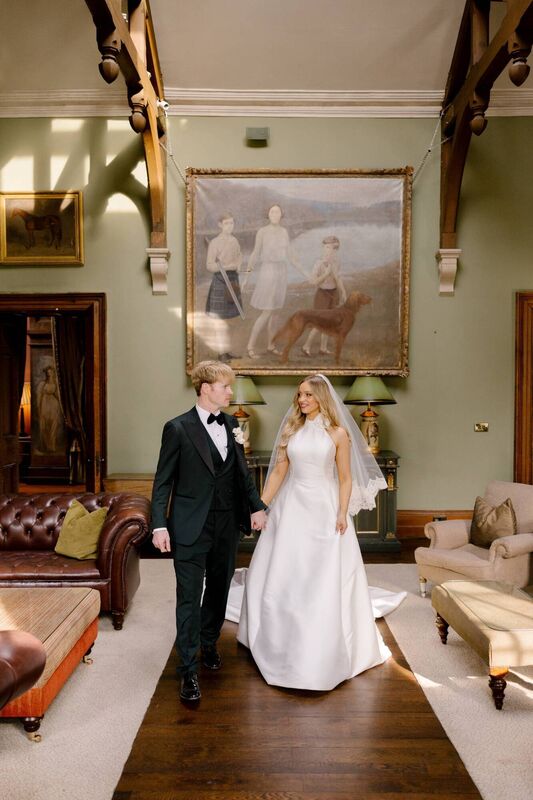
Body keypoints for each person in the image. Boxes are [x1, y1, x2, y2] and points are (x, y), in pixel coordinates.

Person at [233, 373, 405, 691]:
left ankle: (321, 644)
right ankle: (277, 638)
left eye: (308, 395)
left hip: (324, 507)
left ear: (321, 398)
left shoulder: (338, 434)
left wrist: (341, 512)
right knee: (284, 570)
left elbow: (344, 478)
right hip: (292, 506)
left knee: (321, 574)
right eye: (300, 395)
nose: (301, 400)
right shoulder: (293, 430)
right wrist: (260, 506)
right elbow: (279, 473)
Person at [151, 360, 268, 702]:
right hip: (189, 525)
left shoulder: (232, 424)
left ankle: (208, 642)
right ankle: (187, 669)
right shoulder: (177, 428)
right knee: (189, 596)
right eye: (225, 386)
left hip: (226, 524)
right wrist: (159, 523)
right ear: (205, 388)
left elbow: (241, 474)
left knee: (219, 588)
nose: (231, 392)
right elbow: (163, 481)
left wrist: (256, 506)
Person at [245, 204, 308, 359]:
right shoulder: (262, 232)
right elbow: (255, 253)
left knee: (275, 313)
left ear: (281, 214)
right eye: (272, 211)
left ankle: (270, 345)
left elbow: (291, 256)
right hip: (268, 271)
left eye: (277, 211)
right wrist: (246, 276)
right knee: (266, 311)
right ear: (268, 214)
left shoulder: (284, 232)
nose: (275, 214)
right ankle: (250, 346)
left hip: (281, 271)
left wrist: (306, 273)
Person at [205, 213, 243, 362]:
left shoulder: (234, 240)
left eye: (232, 223)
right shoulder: (214, 243)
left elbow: (239, 256)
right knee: (219, 321)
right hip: (220, 281)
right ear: (220, 225)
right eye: (227, 223)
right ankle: (221, 353)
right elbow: (209, 265)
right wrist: (225, 266)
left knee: (228, 320)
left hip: (233, 280)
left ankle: (226, 351)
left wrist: (238, 265)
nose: (230, 226)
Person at [302, 235, 347, 356]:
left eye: (333, 248)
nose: (329, 251)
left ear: (336, 250)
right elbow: (313, 281)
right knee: (319, 324)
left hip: (333, 293)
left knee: (329, 323)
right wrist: (326, 274)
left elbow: (338, 278)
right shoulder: (319, 263)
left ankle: (323, 348)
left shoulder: (336, 262)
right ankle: (306, 346)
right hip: (322, 295)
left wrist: (343, 292)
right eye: (327, 247)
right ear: (323, 248)